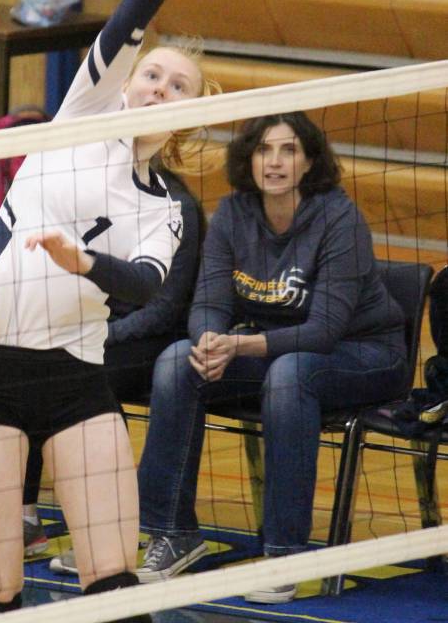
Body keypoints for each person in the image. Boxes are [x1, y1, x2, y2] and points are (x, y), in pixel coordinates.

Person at [0, 0, 249, 621]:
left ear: (185, 118)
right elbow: (129, 21)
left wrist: (84, 264)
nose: (159, 90)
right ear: (125, 82)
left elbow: (144, 285)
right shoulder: (81, 114)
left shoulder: (166, 207)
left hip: (77, 378)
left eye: (178, 89)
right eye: (152, 76)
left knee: (113, 589)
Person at [136, 111, 408, 603]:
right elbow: (209, 302)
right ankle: (173, 533)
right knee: (178, 362)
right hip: (274, 350)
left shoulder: (339, 218)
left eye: (288, 151)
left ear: (309, 163)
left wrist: (239, 344)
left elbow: (324, 330)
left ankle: (284, 555)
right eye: (264, 150)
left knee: (290, 375)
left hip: (364, 354)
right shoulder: (234, 214)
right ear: (249, 158)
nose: (275, 162)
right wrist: (208, 342)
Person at [17, 167, 204, 567]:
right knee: (33, 358)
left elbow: (162, 310)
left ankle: (108, 527)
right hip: (100, 330)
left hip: (152, 339)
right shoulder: (93, 194)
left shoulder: (177, 207)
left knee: (82, 375)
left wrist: (97, 336)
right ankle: (25, 517)